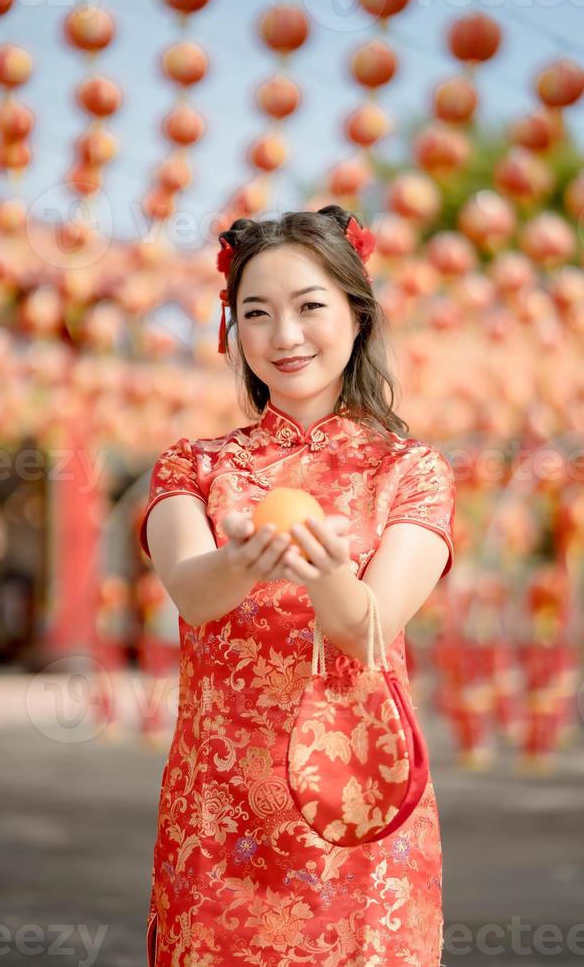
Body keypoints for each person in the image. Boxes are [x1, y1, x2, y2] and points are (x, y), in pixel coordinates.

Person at [139, 205, 455, 966]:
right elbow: (193, 591)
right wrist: (247, 558)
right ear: (233, 332)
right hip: (220, 823)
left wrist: (322, 571)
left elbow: (368, 628)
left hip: (359, 814)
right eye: (257, 313)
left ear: (357, 314)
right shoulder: (194, 466)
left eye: (310, 306)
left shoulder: (410, 470)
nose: (285, 336)